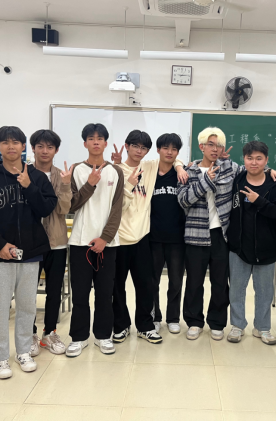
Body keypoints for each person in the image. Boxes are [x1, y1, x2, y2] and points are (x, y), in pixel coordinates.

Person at [177, 127, 276, 342]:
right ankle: (194, 322)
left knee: (220, 283)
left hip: (222, 235)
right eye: (211, 144)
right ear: (201, 146)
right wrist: (204, 181)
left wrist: (271, 170)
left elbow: (253, 168)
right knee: (194, 282)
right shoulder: (188, 171)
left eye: (219, 145)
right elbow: (183, 200)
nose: (215, 149)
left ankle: (217, 323)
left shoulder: (230, 168)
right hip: (196, 234)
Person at [0, 126, 57, 379]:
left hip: (30, 252)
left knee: (26, 306)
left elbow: (47, 208)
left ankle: (23, 351)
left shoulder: (37, 176)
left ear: (23, 146)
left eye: (16, 142)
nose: (11, 147)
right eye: (5, 142)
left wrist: (29, 186)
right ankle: (0, 357)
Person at [110, 130, 187, 345]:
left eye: (144, 147)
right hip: (120, 237)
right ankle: (121, 326)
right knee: (118, 286)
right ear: (127, 146)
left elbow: (172, 158)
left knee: (145, 285)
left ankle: (145, 326)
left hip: (143, 236)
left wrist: (179, 167)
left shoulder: (149, 167)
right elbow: (116, 206)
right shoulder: (116, 171)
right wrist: (128, 184)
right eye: (135, 146)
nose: (139, 151)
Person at [66, 123, 124, 357]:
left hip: (107, 244)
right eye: (91, 138)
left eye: (100, 138)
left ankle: (103, 335)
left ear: (106, 143)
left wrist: (105, 238)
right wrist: (89, 184)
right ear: (85, 143)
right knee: (80, 294)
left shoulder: (115, 171)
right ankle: (78, 337)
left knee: (104, 293)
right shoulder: (75, 170)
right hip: (80, 242)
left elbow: (117, 208)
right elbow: (71, 205)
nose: (96, 142)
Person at [227, 141, 276, 345]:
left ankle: (262, 327)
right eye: (250, 158)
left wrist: (259, 200)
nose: (254, 162)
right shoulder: (236, 180)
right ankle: (237, 325)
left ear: (266, 160)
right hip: (238, 247)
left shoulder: (275, 184)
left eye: (259, 158)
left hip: (266, 247)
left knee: (264, 292)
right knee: (236, 290)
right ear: (244, 159)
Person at [28, 130, 72, 357]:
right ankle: (30, 334)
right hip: (30, 243)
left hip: (57, 241)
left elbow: (64, 209)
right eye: (40, 146)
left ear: (56, 150)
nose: (45, 151)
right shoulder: (24, 173)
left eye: (50, 147)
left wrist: (65, 185)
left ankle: (50, 332)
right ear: (33, 148)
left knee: (54, 290)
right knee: (28, 291)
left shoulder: (61, 175)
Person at [149, 134, 187, 335]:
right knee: (152, 281)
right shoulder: (149, 173)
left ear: (178, 152)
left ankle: (173, 318)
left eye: (174, 149)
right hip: (153, 237)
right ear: (158, 150)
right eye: (165, 148)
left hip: (177, 238)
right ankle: (155, 317)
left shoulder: (182, 174)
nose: (169, 152)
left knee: (176, 281)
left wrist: (179, 167)